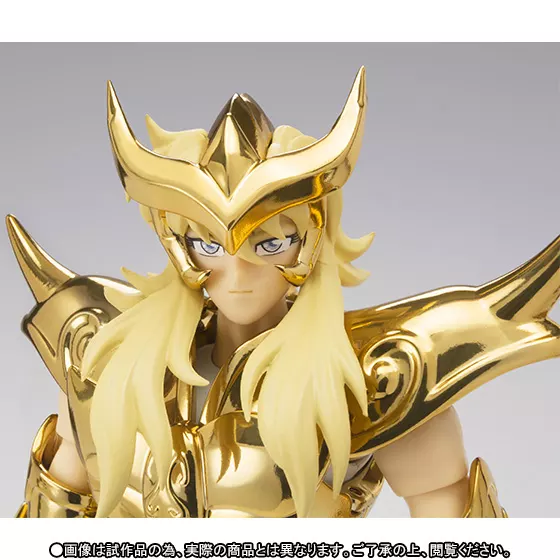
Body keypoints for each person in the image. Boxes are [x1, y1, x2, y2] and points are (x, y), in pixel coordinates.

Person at [10, 68, 559, 518]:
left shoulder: (370, 384)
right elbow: (51, 520)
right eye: (208, 244)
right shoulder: (107, 362)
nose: (238, 273)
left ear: (313, 241)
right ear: (178, 244)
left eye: (269, 245)